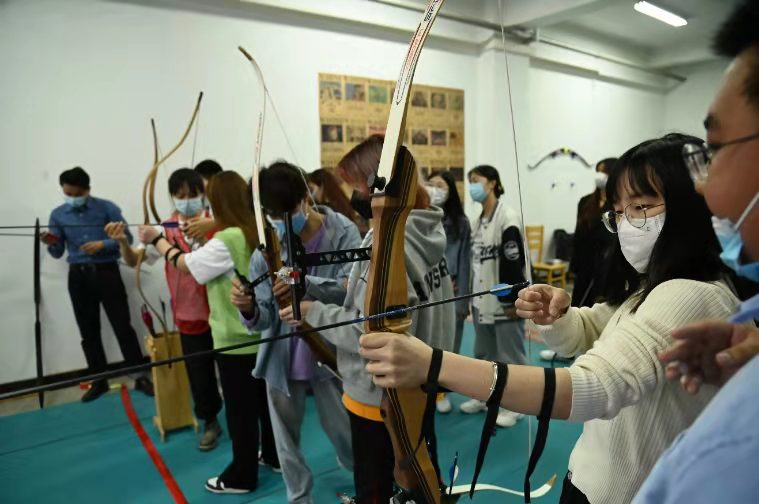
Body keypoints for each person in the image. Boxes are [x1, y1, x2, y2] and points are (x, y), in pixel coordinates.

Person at [359, 133, 744, 503]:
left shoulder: (690, 293)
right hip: (593, 480)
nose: (627, 222)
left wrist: (433, 364)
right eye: (619, 211)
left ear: (689, 207)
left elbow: (594, 387)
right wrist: (559, 316)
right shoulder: (654, 287)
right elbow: (593, 327)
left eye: (641, 207)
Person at [633, 3, 759, 502]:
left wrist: (435, 366)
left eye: (715, 148)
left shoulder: (740, 447)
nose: (704, 186)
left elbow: (603, 380)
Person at [285, 135, 455, 504]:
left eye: (357, 186)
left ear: (380, 183)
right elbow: (365, 293)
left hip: (381, 396)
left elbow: (371, 331)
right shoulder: (422, 227)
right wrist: (312, 285)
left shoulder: (392, 244)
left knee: (377, 486)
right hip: (422, 380)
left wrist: (314, 313)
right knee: (422, 470)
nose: (354, 195)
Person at [138, 171, 278, 494]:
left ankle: (242, 476)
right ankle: (273, 455)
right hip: (263, 335)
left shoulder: (227, 238)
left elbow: (187, 265)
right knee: (264, 406)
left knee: (240, 413)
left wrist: (156, 239)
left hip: (235, 338)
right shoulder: (257, 229)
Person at [230, 161, 358, 504]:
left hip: (330, 351)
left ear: (305, 198)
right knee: (285, 443)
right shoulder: (267, 249)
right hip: (283, 356)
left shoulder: (343, 231)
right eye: (272, 214)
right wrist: (248, 307)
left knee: (347, 436)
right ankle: (299, 497)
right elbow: (263, 317)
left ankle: (365, 479)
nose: (280, 222)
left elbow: (352, 289)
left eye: (285, 213)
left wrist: (303, 283)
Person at [105, 168, 222, 451]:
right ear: (172, 197)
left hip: (225, 314)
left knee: (236, 374)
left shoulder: (217, 221)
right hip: (190, 314)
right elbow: (134, 260)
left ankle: (248, 419)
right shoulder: (164, 229)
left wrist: (212, 225)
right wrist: (123, 242)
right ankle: (210, 421)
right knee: (199, 376)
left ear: (203, 194)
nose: (187, 200)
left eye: (193, 195)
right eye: (180, 196)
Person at [41, 167, 153, 402]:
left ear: (87, 190)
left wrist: (103, 245)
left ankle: (140, 376)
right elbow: (58, 251)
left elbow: (127, 239)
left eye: (76, 194)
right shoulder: (58, 215)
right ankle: (99, 380)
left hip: (106, 272)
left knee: (122, 325)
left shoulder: (106, 208)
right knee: (88, 331)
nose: (71, 198)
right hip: (78, 276)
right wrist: (50, 242)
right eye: (67, 194)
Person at [458, 164, 527, 428]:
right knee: (483, 353)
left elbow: (513, 261)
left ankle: (516, 405)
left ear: (492, 183)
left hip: (503, 302)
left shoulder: (507, 218)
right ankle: (484, 395)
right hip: (480, 301)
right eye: (470, 181)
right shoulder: (477, 222)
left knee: (510, 356)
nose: (472, 186)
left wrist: (511, 298)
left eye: (476, 180)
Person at [425, 170, 471, 414]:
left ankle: (442, 390)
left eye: (440, 185)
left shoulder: (461, 224)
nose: (435, 189)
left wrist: (463, 300)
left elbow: (465, 263)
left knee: (450, 342)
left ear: (450, 190)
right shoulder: (420, 218)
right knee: (425, 339)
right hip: (426, 289)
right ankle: (425, 387)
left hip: (452, 289)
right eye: (430, 184)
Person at [570, 158, 617, 308]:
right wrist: (574, 265)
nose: (599, 176)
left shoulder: (618, 203)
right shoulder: (585, 202)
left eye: (603, 172)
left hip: (607, 264)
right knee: (580, 304)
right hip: (585, 261)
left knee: (601, 305)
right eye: (598, 171)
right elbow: (578, 235)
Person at [306, 168, 368, 236]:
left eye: (311, 189)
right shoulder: (341, 201)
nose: (309, 194)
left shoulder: (326, 209)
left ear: (322, 186)